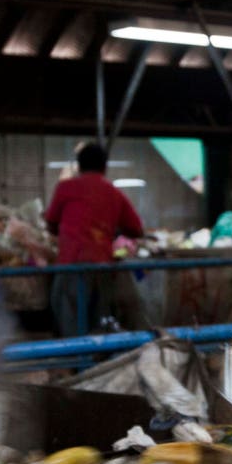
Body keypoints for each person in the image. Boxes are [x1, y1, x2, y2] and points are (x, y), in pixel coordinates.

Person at [44, 142, 146, 334]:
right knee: (98, 324)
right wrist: (111, 230)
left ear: (79, 166)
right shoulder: (114, 193)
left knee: (68, 321)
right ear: (105, 167)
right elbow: (136, 230)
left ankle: (75, 352)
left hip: (71, 265)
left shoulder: (65, 188)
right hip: (102, 267)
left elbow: (51, 224)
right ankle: (96, 352)